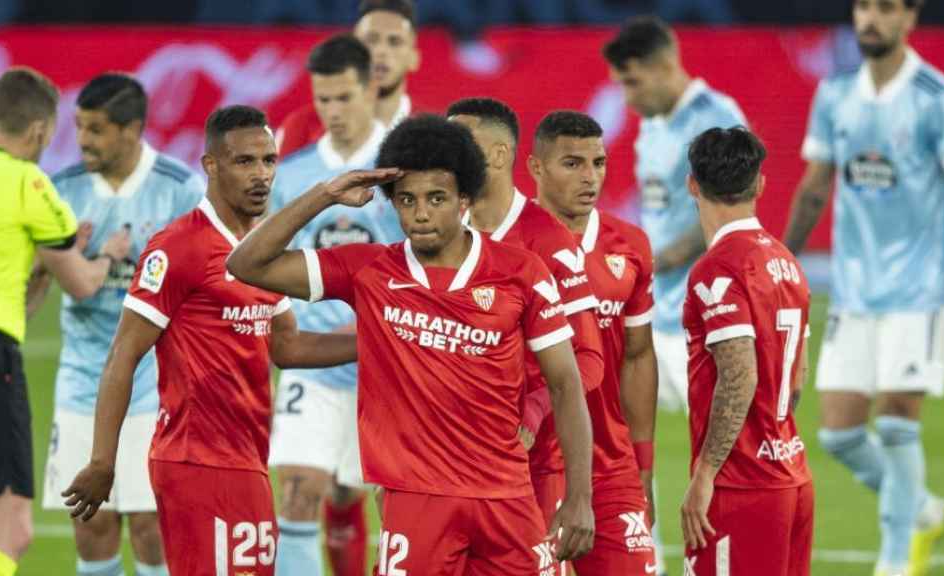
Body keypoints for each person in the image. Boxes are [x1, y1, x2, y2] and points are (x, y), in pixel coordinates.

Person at [226, 115, 596, 573]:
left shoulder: (522, 272)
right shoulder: (368, 270)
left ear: (464, 199)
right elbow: (247, 263)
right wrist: (325, 194)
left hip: (507, 499)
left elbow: (565, 383)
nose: (420, 214)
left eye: (436, 199)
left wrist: (580, 498)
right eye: (407, 200)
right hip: (418, 503)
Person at [60, 106, 358, 576]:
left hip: (249, 461)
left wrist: (377, 338)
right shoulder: (179, 247)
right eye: (245, 162)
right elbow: (124, 353)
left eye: (269, 161)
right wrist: (103, 461)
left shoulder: (262, 253)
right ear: (211, 166)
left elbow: (289, 348)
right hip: (196, 463)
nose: (261, 175)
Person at [783, 1, 944, 574]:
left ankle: (894, 562)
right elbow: (815, 187)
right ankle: (925, 511)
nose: (871, 18)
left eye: (886, 8)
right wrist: (779, 263)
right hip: (855, 291)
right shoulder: (835, 95)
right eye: (864, 6)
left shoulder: (938, 99)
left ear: (910, 19)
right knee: (839, 435)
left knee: (893, 423)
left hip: (920, 289)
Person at [0, 67, 133, 576]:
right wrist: (109, 256)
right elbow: (83, 284)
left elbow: (14, 288)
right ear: (36, 132)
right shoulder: (29, 181)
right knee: (12, 532)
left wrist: (44, 259)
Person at [33, 73, 204, 576]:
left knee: (152, 524)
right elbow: (35, 286)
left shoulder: (179, 190)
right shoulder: (60, 190)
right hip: (82, 382)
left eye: (96, 129)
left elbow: (204, 284)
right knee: (90, 521)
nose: (82, 139)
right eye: (80, 126)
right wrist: (55, 262)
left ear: (132, 131)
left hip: (156, 386)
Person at [602, 18, 748, 571]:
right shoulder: (653, 125)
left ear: (666, 66)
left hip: (709, 315)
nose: (627, 96)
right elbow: (659, 216)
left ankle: (724, 558)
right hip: (654, 310)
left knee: (721, 453)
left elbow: (728, 217)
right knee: (618, 437)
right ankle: (645, 559)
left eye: (633, 82)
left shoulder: (717, 119)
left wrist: (655, 260)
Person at [267, 35, 401, 576]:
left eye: (344, 97)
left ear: (371, 87)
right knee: (298, 491)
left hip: (387, 365)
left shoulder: (400, 169)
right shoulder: (295, 172)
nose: (333, 111)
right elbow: (269, 260)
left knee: (364, 497)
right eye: (323, 99)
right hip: (316, 365)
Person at [444, 98, 604, 542]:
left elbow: (588, 359)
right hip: (443, 464)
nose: (447, 154)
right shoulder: (439, 230)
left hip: (529, 466)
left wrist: (532, 410)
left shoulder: (546, 240)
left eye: (460, 142)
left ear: (497, 155)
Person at [530, 110, 659, 575]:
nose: (590, 178)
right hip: (532, 466)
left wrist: (644, 461)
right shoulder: (509, 245)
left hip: (610, 465)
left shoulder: (631, 245)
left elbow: (639, 356)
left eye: (598, 163)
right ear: (536, 168)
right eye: (572, 164)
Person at [680, 127, 813, 576]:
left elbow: (740, 376)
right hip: (792, 476)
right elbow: (794, 383)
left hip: (741, 487)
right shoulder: (786, 262)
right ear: (759, 184)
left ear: (692, 184)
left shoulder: (717, 268)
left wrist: (705, 473)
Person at [276, 0, 420, 160]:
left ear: (414, 58)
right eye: (371, 40)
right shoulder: (301, 127)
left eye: (395, 42)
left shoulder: (430, 132)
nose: (381, 51)